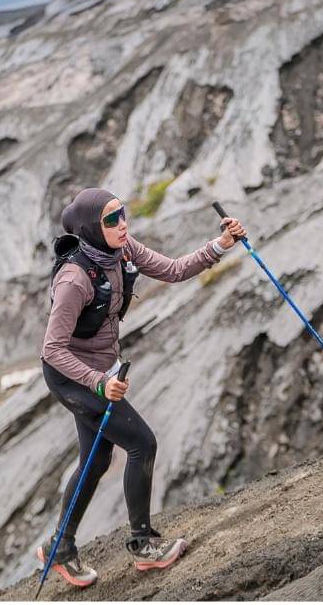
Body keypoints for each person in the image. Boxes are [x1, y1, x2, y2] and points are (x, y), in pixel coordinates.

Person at [36, 187, 247, 586]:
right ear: (90, 229)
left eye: (123, 214)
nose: (123, 224)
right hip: (72, 377)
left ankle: (59, 549)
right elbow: (52, 349)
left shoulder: (123, 249)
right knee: (142, 443)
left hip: (99, 373)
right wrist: (101, 383)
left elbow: (172, 270)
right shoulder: (74, 278)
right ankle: (142, 545)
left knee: (96, 461)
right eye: (111, 219)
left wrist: (220, 245)